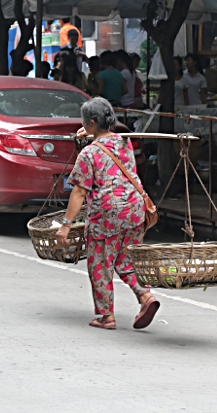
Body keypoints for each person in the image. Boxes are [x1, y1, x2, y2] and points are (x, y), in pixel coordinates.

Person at [56, 97, 160, 330]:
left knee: (100, 264)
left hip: (107, 215)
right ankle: (145, 297)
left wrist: (65, 224)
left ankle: (106, 316)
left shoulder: (88, 154)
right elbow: (105, 148)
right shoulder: (124, 143)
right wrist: (90, 136)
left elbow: (79, 192)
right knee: (125, 260)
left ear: (91, 123)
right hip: (135, 211)